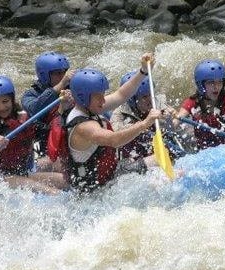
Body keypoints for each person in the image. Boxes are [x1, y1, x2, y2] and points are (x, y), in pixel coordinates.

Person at [52, 53, 167, 193]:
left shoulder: (87, 107)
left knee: (160, 159)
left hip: (109, 175)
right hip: (96, 192)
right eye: (98, 96)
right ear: (83, 97)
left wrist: (142, 71)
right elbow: (114, 140)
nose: (103, 100)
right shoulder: (84, 127)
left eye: (103, 94)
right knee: (170, 175)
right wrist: (145, 124)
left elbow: (121, 95)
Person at [0, 75, 66, 194]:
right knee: (53, 193)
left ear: (12, 99)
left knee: (68, 180)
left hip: (24, 170)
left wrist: (61, 109)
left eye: (5, 101)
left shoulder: (20, 117)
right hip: (1, 178)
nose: (2, 107)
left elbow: (45, 132)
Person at [175, 59, 225, 151]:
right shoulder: (193, 103)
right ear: (201, 85)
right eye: (211, 82)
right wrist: (171, 118)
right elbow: (176, 120)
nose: (216, 87)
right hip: (205, 152)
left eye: (219, 82)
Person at [110, 70, 184, 161]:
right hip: (133, 158)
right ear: (132, 99)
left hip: (157, 150)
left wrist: (169, 119)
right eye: (144, 97)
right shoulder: (119, 113)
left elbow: (171, 132)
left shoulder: (159, 102)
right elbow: (115, 137)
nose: (150, 99)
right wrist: (140, 126)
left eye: (150, 95)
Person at [20, 51, 75, 159]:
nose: (64, 76)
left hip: (68, 138)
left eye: (65, 72)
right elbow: (35, 109)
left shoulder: (73, 89)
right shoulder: (29, 95)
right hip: (43, 142)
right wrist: (62, 84)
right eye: (58, 73)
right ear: (44, 75)